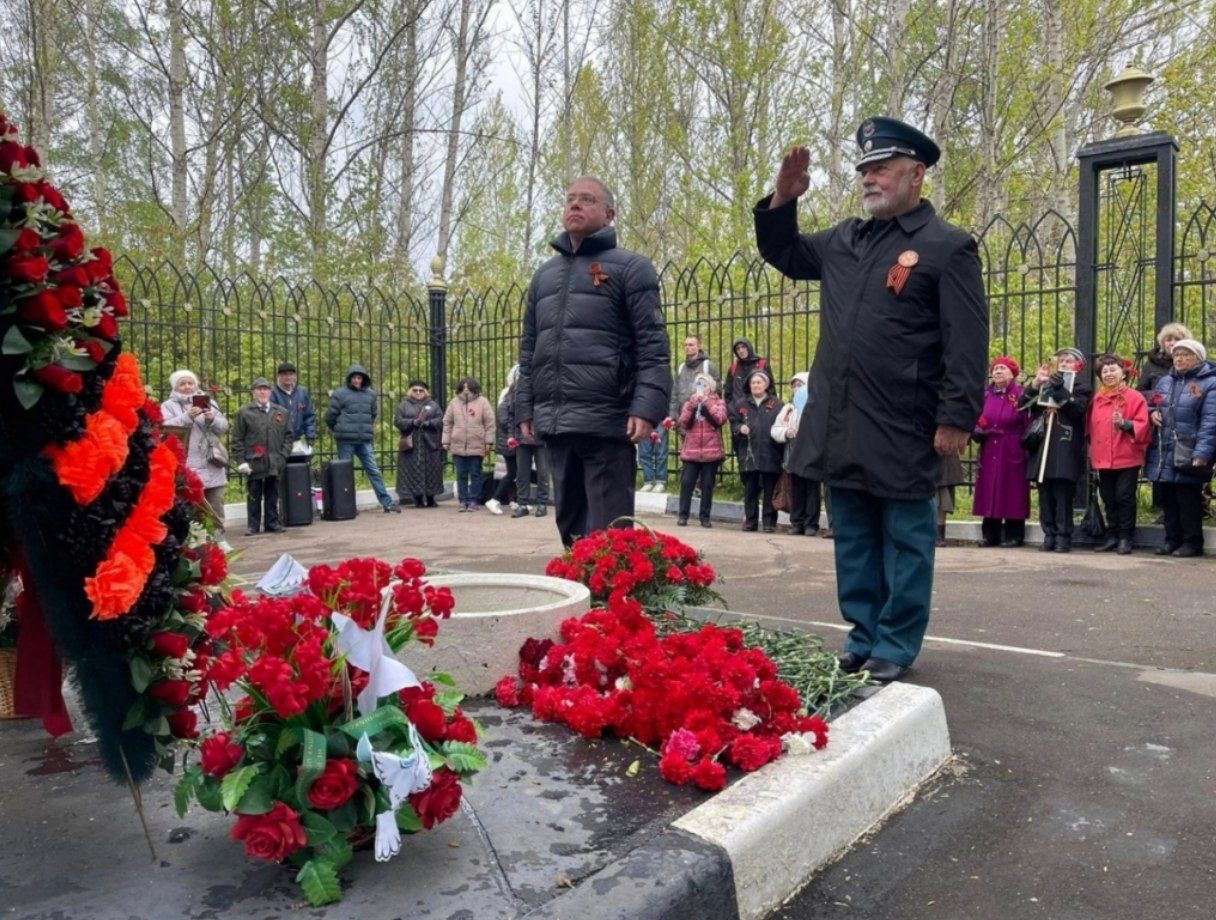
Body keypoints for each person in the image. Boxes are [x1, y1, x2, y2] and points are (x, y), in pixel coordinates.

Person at [754, 117, 988, 682]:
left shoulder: (946, 246)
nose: (869, 178)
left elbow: (966, 340)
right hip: (839, 420)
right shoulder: (845, 240)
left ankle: (896, 643)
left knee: (906, 540)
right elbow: (783, 251)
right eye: (865, 169)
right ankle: (863, 636)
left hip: (905, 421)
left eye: (881, 168)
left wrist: (957, 415)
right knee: (853, 537)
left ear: (917, 174)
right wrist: (783, 199)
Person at [516, 176, 671, 548]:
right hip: (556, 422)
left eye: (587, 199)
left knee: (609, 538)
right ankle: (576, 586)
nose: (575, 205)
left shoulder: (632, 268)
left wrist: (646, 407)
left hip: (607, 422)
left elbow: (652, 345)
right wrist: (525, 408)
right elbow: (529, 351)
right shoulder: (544, 276)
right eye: (570, 199)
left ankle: (610, 589)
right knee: (571, 532)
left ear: (609, 214)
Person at [1145, 339, 1216, 557]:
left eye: (1186, 355)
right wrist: (1152, 412)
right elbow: (1153, 403)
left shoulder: (1209, 383)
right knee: (1169, 498)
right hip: (1165, 448)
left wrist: (1202, 453)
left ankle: (1192, 543)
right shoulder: (1166, 381)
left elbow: (1211, 421)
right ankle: (1171, 540)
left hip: (1189, 448)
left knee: (1188, 499)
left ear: (1198, 358)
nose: (1180, 359)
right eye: (1177, 355)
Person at [1023, 347, 1092, 553]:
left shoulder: (1082, 387)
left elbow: (1078, 410)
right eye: (1061, 360)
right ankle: (1049, 535)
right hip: (1044, 444)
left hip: (1065, 444)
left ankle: (1063, 536)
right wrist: (1035, 385)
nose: (1063, 363)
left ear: (1078, 366)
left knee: (1063, 493)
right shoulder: (1046, 383)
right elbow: (1023, 404)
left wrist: (1061, 392)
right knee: (1044, 492)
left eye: (1068, 361)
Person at [1087, 354, 1150, 554]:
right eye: (1104, 371)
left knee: (1124, 497)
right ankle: (1112, 535)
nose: (1108, 374)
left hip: (1127, 456)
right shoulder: (1096, 399)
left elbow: (1143, 424)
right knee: (1108, 497)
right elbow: (1090, 429)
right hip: (1102, 457)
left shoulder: (1134, 397)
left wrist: (1125, 424)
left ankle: (1125, 536)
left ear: (1123, 373)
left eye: (1113, 369)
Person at [160, 369, 230, 545]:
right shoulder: (168, 406)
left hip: (211, 462)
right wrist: (186, 417)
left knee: (216, 503)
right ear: (175, 387)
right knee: (193, 506)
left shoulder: (209, 402)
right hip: (188, 464)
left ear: (196, 385)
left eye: (190, 383)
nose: (187, 387)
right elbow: (164, 429)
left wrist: (212, 419)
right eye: (182, 384)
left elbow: (224, 426)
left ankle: (219, 540)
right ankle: (197, 543)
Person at [972, 356, 1031, 547]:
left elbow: (1028, 421)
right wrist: (976, 430)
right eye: (995, 369)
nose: (997, 372)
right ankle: (990, 534)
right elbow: (975, 416)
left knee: (1013, 489)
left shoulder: (1020, 394)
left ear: (1012, 373)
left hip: (1013, 446)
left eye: (1002, 369)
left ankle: (1015, 534)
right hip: (990, 446)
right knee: (990, 488)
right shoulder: (985, 395)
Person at [325, 364, 400, 513]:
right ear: (350, 379)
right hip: (345, 440)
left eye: (359, 377)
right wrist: (341, 428)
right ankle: (347, 506)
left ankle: (387, 503)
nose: (356, 380)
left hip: (364, 440)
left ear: (363, 379)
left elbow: (372, 415)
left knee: (374, 471)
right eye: (354, 377)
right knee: (344, 474)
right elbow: (330, 417)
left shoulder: (371, 395)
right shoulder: (340, 394)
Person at [1139, 323, 1193, 517]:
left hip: (1185, 424)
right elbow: (1140, 392)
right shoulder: (1152, 365)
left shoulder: (1192, 364)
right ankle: (1163, 509)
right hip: (1160, 423)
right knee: (1161, 465)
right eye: (1168, 339)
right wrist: (1153, 406)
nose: (1172, 343)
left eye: (1177, 339)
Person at [232, 377, 292, 535]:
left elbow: (288, 437)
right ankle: (253, 525)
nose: (262, 392)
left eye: (265, 389)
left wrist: (283, 456)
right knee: (254, 493)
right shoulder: (244, 412)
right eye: (259, 389)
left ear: (270, 392)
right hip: (254, 461)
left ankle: (272, 523)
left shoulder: (281, 412)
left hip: (274, 460)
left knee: (273, 493)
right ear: (253, 392)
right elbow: (237, 439)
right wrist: (241, 461)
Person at [730, 369, 783, 532]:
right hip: (749, 453)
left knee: (769, 489)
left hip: (771, 452)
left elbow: (782, 425)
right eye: (753, 382)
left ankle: (769, 523)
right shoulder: (741, 404)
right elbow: (733, 423)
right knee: (750, 489)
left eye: (759, 382)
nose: (756, 385)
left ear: (766, 385)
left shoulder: (777, 404)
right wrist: (740, 428)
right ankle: (751, 521)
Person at [676, 372, 727, 527]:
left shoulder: (718, 402)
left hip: (711, 451)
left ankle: (705, 517)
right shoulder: (689, 402)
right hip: (692, 450)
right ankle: (683, 515)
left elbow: (720, 419)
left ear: (711, 387)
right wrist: (692, 407)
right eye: (699, 384)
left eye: (705, 385)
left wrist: (707, 404)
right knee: (687, 483)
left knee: (707, 485)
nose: (702, 388)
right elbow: (683, 423)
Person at [772, 372, 820, 535]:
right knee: (796, 488)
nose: (797, 388)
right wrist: (786, 432)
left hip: (812, 453)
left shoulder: (816, 407)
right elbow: (775, 429)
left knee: (812, 489)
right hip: (793, 453)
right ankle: (797, 522)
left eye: (800, 385)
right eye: (794, 385)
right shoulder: (788, 408)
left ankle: (811, 524)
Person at [442, 377, 495, 512]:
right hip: (458, 445)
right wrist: (446, 440)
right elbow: (447, 423)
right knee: (461, 474)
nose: (466, 389)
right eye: (463, 387)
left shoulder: (483, 402)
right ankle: (462, 500)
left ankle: (474, 500)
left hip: (477, 444)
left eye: (468, 387)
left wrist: (488, 442)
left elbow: (490, 424)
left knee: (475, 474)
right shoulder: (454, 402)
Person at [395, 380, 444, 508]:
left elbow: (440, 420)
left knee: (432, 470)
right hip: (412, 443)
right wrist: (412, 422)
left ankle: (431, 498)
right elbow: (398, 421)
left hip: (429, 442)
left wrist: (429, 423)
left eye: (421, 390)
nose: (418, 392)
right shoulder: (404, 405)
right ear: (410, 391)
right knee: (412, 470)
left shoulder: (433, 405)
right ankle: (417, 499)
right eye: (415, 390)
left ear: (425, 392)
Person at [270, 361, 317, 451]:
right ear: (279, 376)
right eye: (285, 374)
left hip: (297, 442)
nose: (288, 377)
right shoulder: (273, 394)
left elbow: (309, 416)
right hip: (279, 442)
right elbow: (271, 419)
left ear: (295, 376)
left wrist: (310, 437)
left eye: (291, 374)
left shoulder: (302, 393)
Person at [725, 338, 775, 402]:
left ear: (749, 347)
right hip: (737, 407)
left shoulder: (762, 364)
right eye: (738, 348)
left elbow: (771, 389)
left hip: (759, 406)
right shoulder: (733, 368)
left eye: (743, 347)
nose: (741, 350)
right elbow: (728, 392)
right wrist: (731, 406)